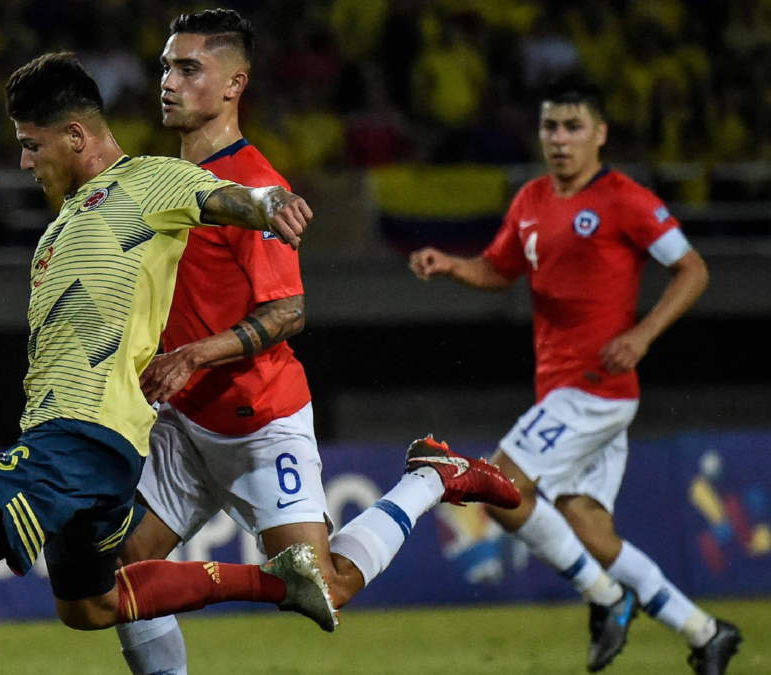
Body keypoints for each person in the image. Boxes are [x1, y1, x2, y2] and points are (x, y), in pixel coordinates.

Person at [0, 51, 343, 675]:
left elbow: (231, 197)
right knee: (91, 605)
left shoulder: (151, 181)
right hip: (91, 442)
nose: (25, 162)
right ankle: (279, 583)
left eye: (31, 145)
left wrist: (269, 201)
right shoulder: (64, 222)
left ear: (75, 135)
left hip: (80, 438)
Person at [112, 11, 523, 675]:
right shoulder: (168, 177)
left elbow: (289, 310)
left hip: (259, 421)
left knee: (322, 589)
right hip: (187, 419)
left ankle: (431, 478)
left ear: (233, 85)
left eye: (189, 69)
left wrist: (195, 353)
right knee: (126, 568)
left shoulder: (255, 188)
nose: (169, 81)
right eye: (165, 66)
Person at [410, 74, 741, 675]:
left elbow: (693, 269)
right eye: (550, 127)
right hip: (562, 390)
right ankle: (706, 631)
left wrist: (642, 335)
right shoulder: (531, 200)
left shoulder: (627, 199)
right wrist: (453, 265)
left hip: (595, 387)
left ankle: (606, 598)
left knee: (499, 488)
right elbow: (499, 268)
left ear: (600, 134)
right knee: (591, 531)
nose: (560, 138)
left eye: (573, 127)